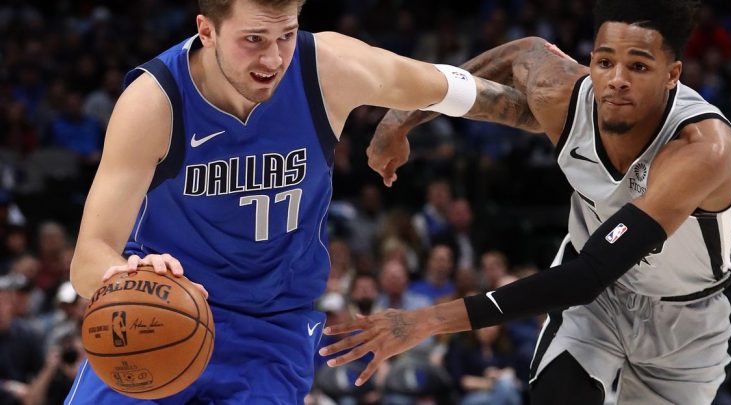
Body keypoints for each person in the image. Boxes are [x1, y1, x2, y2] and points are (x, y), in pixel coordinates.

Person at [65, 0, 527, 403]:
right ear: (207, 31)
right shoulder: (154, 102)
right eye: (253, 39)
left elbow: (450, 89)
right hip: (155, 313)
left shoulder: (326, 68)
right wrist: (126, 275)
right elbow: (87, 261)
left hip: (270, 330)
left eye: (286, 35)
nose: (272, 58)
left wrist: (559, 117)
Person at [321, 1, 731, 404]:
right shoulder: (563, 96)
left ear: (672, 74)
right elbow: (520, 54)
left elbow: (588, 275)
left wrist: (426, 320)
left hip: (685, 319)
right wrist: (401, 117)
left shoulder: (704, 148)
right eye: (604, 62)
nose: (617, 79)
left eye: (638, 66)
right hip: (599, 304)